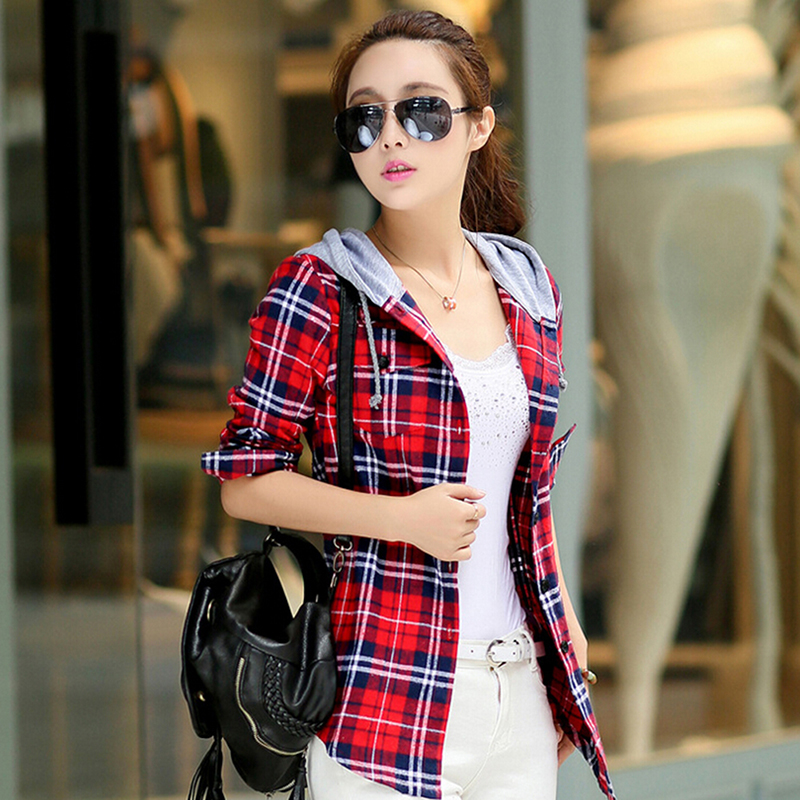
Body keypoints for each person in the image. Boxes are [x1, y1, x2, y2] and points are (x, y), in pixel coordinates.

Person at [202, 10, 614, 800]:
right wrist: (400, 519)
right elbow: (244, 483)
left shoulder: (528, 288)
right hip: (387, 698)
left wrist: (568, 631)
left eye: (422, 110)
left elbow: (528, 495)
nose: (391, 135)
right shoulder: (319, 289)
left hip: (520, 689)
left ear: (478, 126)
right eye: (365, 117)